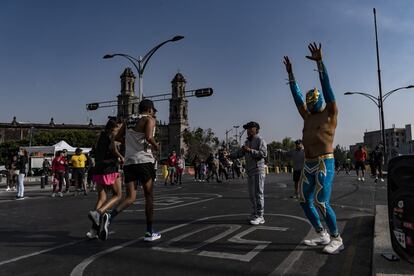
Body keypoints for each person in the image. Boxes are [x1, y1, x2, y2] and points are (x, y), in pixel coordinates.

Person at [284, 42, 343, 254]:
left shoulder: (330, 112)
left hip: (324, 162)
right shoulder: (307, 116)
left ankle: (337, 237)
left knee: (321, 201)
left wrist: (320, 63)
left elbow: (327, 88)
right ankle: (321, 233)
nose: (308, 104)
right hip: (308, 164)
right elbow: (296, 97)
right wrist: (291, 75)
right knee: (303, 200)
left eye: (311, 101)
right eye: (307, 103)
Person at [100, 99, 161, 242]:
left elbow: (118, 137)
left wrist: (131, 143)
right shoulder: (149, 119)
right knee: (149, 196)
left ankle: (110, 217)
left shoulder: (129, 120)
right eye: (153, 110)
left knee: (130, 197)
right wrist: (156, 146)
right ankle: (149, 231)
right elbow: (148, 137)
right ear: (150, 110)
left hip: (129, 162)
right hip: (144, 161)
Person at [86, 119, 124, 239]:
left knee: (102, 197)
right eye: (119, 128)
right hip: (109, 168)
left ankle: (93, 230)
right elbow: (113, 148)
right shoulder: (112, 136)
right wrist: (120, 157)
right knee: (118, 195)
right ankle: (99, 213)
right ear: (114, 128)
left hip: (98, 169)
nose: (120, 131)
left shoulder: (101, 136)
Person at [230, 122, 267, 225]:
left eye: (251, 128)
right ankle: (255, 213)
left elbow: (263, 154)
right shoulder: (247, 142)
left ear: (257, 129)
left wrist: (250, 150)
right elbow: (240, 153)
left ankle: (260, 216)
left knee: (258, 193)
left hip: (258, 170)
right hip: (250, 171)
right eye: (247, 129)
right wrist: (230, 155)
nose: (248, 130)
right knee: (252, 195)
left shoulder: (260, 140)